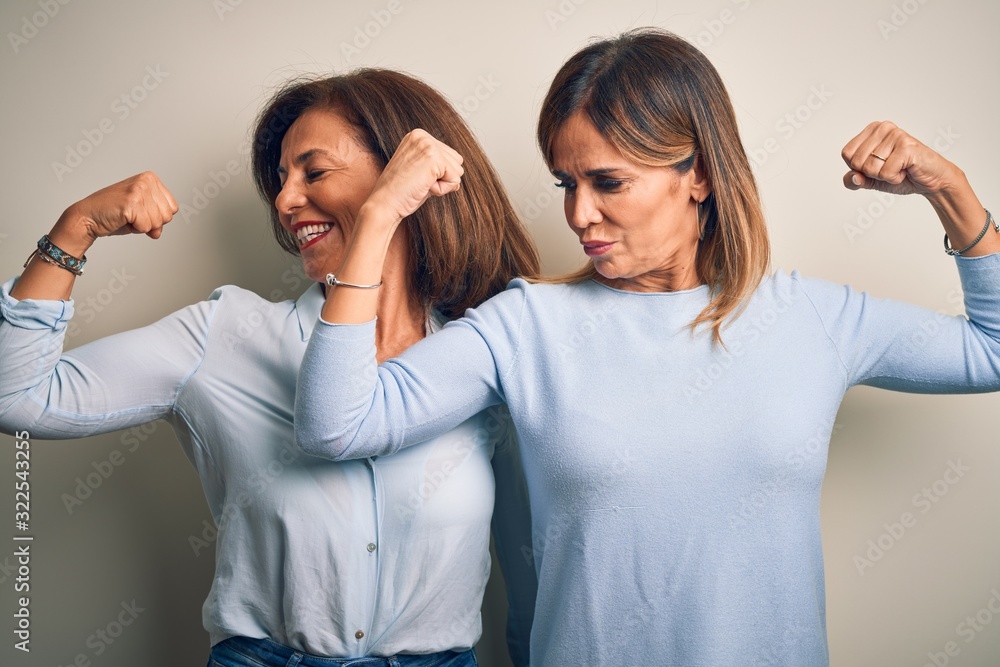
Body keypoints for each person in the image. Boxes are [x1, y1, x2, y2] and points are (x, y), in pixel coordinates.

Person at [292, 29, 1000, 665]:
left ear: (698, 174)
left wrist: (952, 191)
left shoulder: (810, 317)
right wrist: (380, 213)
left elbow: (992, 351)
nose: (578, 213)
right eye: (567, 183)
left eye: (608, 182)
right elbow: (337, 423)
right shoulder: (528, 323)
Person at [0, 68, 539, 667]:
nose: (284, 202)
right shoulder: (225, 333)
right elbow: (16, 397)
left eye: (314, 171)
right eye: (281, 180)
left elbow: (527, 561)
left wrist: (381, 214)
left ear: (403, 176)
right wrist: (76, 230)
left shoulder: (482, 354)